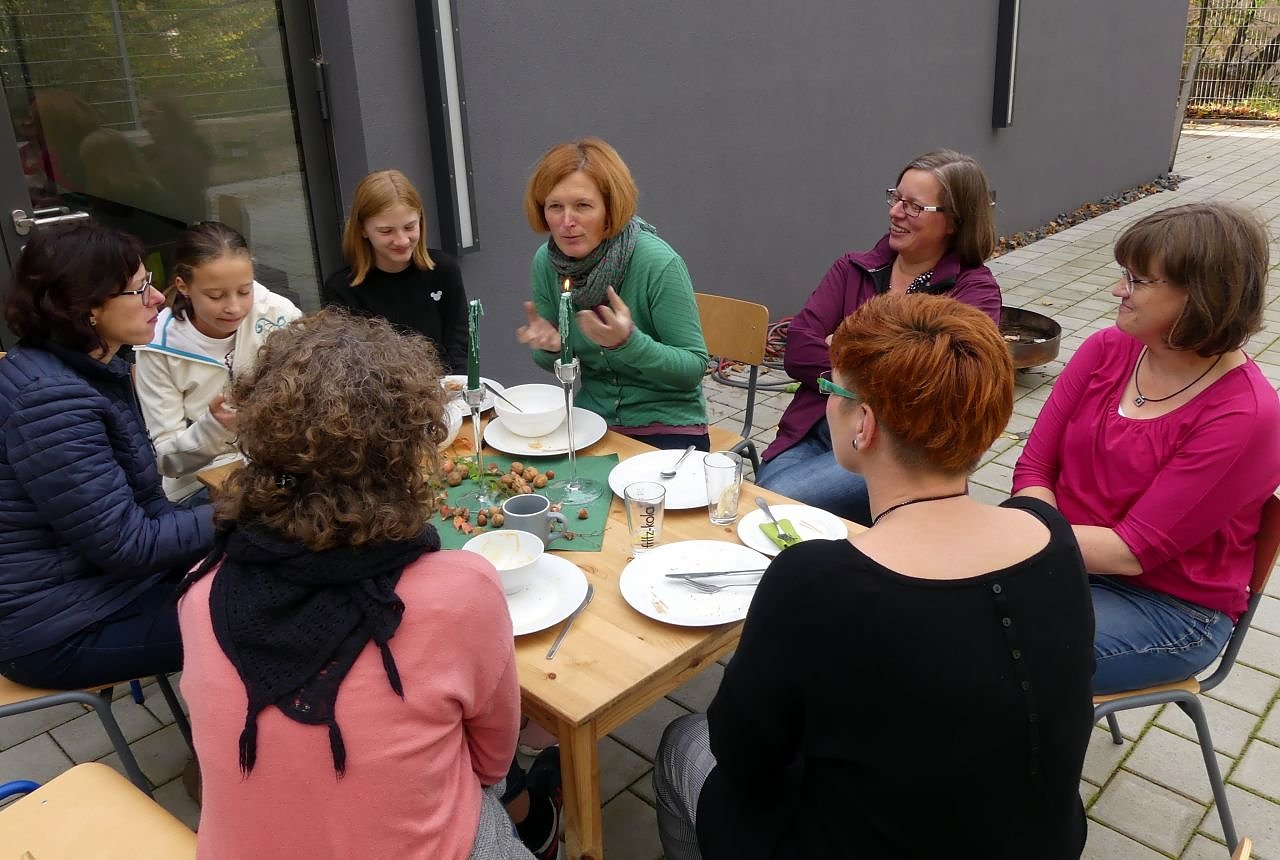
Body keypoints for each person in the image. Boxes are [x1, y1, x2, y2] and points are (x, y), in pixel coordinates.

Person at [654, 294, 1095, 859]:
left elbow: (741, 753)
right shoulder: (1049, 532)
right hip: (1044, 841)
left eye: (830, 388)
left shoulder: (816, 580)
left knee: (683, 742)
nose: (824, 402)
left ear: (863, 423)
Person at [177, 310, 555, 859]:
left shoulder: (200, 591)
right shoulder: (461, 591)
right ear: (411, 454)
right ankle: (540, 830)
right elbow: (491, 763)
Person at [1013, 202, 1280, 695]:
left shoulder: (1245, 414)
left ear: (1201, 296)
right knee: (933, 614)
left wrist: (1006, 538)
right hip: (1064, 561)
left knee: (987, 652)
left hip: (1167, 607)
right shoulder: (1106, 349)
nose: (1118, 290)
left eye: (1137, 280)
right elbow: (1034, 469)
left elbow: (1133, 552)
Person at [0, 223, 213, 689]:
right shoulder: (51, 402)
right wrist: (245, 508)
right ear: (86, 308)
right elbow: (130, 545)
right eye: (139, 290)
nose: (157, 299)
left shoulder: (88, 367)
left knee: (273, 554)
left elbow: (148, 507)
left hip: (102, 585)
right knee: (273, 609)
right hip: (60, 628)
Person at [756, 149, 1001, 523]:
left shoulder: (974, 292)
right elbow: (799, 349)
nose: (896, 212)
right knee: (768, 500)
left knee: (777, 502)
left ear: (953, 221)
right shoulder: (852, 269)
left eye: (914, 206)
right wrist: (890, 368)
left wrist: (844, 353)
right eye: (896, 198)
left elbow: (942, 387)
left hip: (901, 452)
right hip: (813, 430)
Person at [515, 137, 710, 451]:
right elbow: (554, 362)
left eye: (583, 206)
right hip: (593, 420)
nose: (567, 222)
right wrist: (552, 348)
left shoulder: (656, 262)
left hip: (668, 424)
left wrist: (628, 343)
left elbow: (693, 369)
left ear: (610, 210)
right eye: (555, 206)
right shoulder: (547, 263)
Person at [135, 221, 302, 503]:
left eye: (245, 291)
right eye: (215, 296)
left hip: (281, 461)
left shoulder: (276, 313)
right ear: (183, 286)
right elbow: (167, 460)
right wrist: (213, 427)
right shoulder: (158, 346)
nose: (234, 307)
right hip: (203, 480)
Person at [323, 169, 469, 373]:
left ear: (420, 221)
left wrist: (461, 385)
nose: (401, 240)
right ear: (363, 229)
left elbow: (459, 343)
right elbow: (348, 367)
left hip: (446, 385)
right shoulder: (340, 290)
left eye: (409, 227)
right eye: (386, 231)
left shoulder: (444, 270)